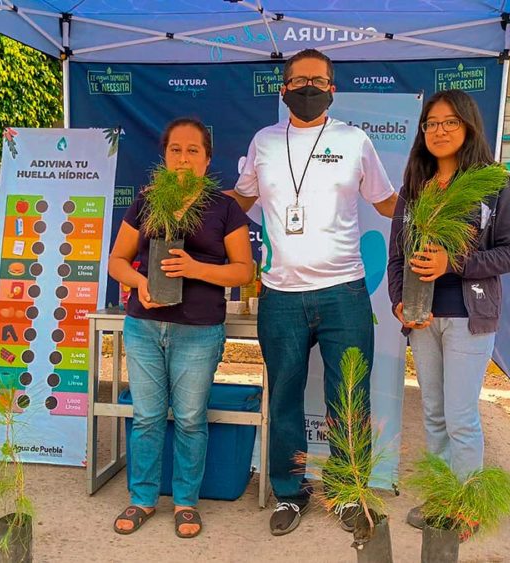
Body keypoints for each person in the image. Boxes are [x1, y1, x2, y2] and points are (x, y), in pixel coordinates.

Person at [227, 48, 398, 536]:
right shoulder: (264, 141)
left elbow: (386, 202)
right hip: (280, 296)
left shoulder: (354, 140)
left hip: (344, 294)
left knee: (349, 395)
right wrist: (193, 205)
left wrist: (434, 206)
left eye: (317, 81)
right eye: (298, 80)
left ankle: (346, 492)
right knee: (283, 396)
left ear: (332, 88)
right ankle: (289, 491)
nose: (307, 88)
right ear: (282, 89)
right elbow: (241, 199)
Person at [108, 117, 254, 538]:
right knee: (148, 416)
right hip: (145, 325)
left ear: (207, 159)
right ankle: (143, 498)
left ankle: (186, 502)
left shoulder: (225, 210)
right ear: (165, 156)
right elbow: (117, 260)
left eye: (194, 150)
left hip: (198, 330)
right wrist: (140, 283)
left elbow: (243, 271)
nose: (184, 158)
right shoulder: (146, 201)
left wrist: (195, 268)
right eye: (176, 150)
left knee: (190, 418)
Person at [386, 90, 510, 530]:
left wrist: (454, 262)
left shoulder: (493, 184)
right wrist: (398, 302)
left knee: (461, 416)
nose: (440, 130)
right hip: (423, 319)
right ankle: (441, 496)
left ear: (468, 127)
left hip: (470, 317)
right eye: (431, 123)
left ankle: (466, 507)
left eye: (450, 122)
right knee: (434, 413)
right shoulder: (414, 189)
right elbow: (396, 257)